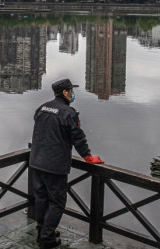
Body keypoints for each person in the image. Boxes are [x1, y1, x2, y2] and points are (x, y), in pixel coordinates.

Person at [29, 78, 104, 249]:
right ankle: (46, 239)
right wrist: (88, 157)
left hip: (36, 161)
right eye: (71, 90)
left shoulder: (42, 108)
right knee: (57, 202)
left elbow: (41, 130)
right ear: (65, 93)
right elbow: (77, 137)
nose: (72, 93)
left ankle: (42, 231)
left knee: (41, 199)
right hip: (54, 166)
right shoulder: (68, 113)